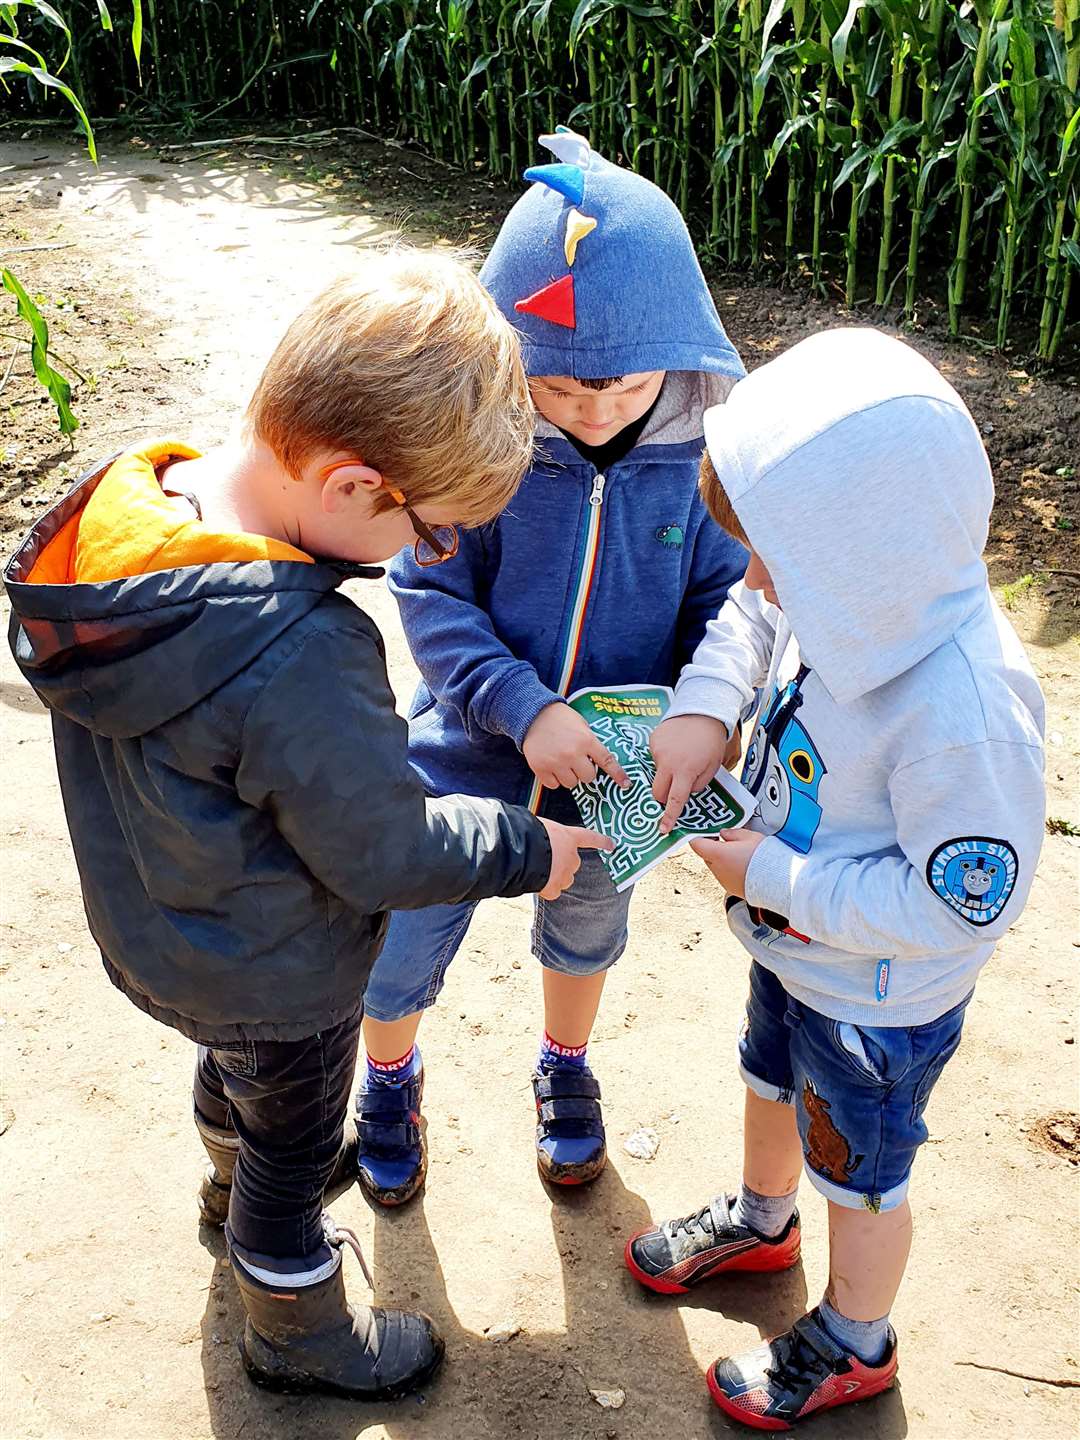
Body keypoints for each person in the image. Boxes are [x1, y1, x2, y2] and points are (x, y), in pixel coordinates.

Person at [4, 250, 611, 1404]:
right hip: (277, 973)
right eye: (428, 534)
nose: (424, 559)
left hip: (162, 927)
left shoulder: (136, 514)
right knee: (295, 1133)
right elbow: (382, 850)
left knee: (235, 1078)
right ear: (349, 488)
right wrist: (531, 848)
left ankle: (226, 1181)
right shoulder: (301, 652)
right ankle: (291, 1317)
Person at [625, 326, 1046, 1429]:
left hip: (879, 1002)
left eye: (777, 554)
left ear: (860, 554)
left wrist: (780, 878)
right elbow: (752, 615)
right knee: (767, 1078)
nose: (759, 576)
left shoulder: (963, 718)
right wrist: (702, 711)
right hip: (793, 948)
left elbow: (962, 909)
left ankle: (858, 1337)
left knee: (859, 1169)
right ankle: (768, 1224)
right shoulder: (844, 585)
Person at [354, 128, 748, 1204]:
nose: (589, 408)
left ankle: (566, 1067)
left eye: (617, 384)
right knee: (402, 933)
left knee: (584, 929)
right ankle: (387, 1078)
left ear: (683, 346)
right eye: (557, 385)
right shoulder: (485, 453)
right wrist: (521, 710)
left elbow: (731, 607)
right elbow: (429, 591)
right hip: (465, 752)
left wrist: (703, 715)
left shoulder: (705, 464)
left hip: (614, 775)